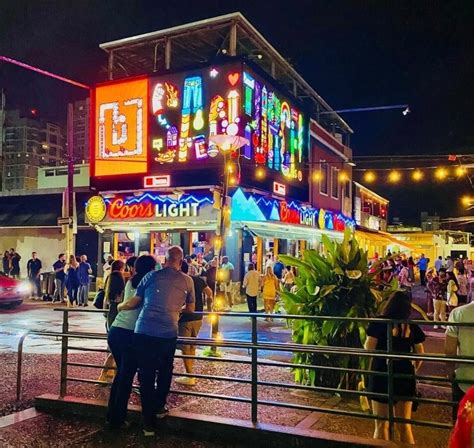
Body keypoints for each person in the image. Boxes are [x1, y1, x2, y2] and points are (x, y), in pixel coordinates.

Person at [119, 246, 195, 436]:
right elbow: (191, 309)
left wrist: (120, 306)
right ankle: (159, 405)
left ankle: (148, 424)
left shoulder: (150, 276)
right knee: (165, 371)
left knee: (146, 375)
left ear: (165, 259)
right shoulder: (187, 281)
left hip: (143, 330)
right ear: (181, 260)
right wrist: (176, 308)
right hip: (168, 332)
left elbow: (136, 301)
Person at [365, 291, 425, 444]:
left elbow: (369, 348)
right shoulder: (410, 325)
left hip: (381, 371)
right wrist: (414, 369)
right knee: (404, 426)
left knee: (381, 425)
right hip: (404, 372)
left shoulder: (379, 322)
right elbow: (420, 352)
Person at [107, 255, 156, 428]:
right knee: (125, 377)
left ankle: (113, 415)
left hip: (116, 330)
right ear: (152, 269)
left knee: (122, 375)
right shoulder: (149, 285)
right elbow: (137, 305)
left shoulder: (130, 282)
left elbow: (125, 304)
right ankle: (117, 419)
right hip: (130, 333)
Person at [175, 261, 212, 386]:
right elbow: (209, 293)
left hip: (185, 317)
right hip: (198, 316)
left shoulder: (181, 281)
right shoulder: (199, 280)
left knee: (185, 347)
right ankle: (190, 373)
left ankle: (189, 374)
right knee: (192, 344)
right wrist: (209, 306)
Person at [445, 299, 474, 420]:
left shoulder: (458, 313)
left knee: (462, 425)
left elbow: (450, 350)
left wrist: (450, 372)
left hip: (465, 379)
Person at [99, 260, 126, 384]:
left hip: (109, 313)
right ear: (121, 268)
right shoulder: (120, 278)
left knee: (111, 345)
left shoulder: (109, 277)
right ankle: (107, 375)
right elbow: (120, 297)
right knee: (116, 349)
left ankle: (108, 374)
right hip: (117, 313)